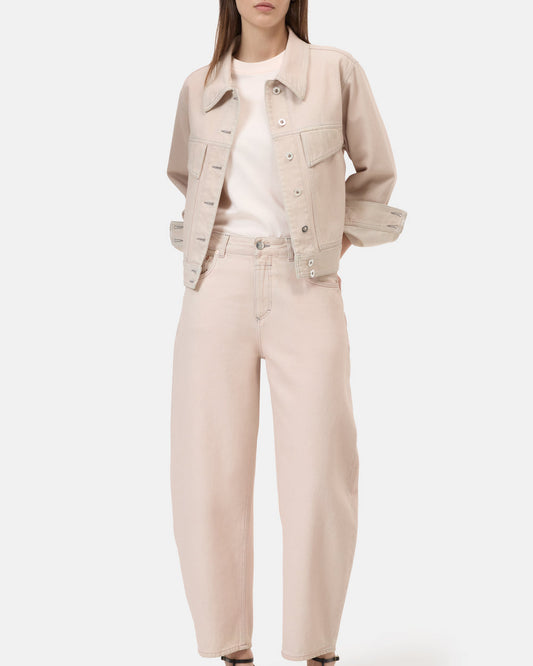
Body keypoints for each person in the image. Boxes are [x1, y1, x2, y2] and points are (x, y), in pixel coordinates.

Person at [166, 1, 407, 665]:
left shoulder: (335, 71)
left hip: (307, 283)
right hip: (214, 284)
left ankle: (314, 646)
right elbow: (187, 178)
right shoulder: (198, 86)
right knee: (206, 470)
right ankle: (229, 647)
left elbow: (377, 172)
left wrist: (332, 242)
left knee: (320, 470)